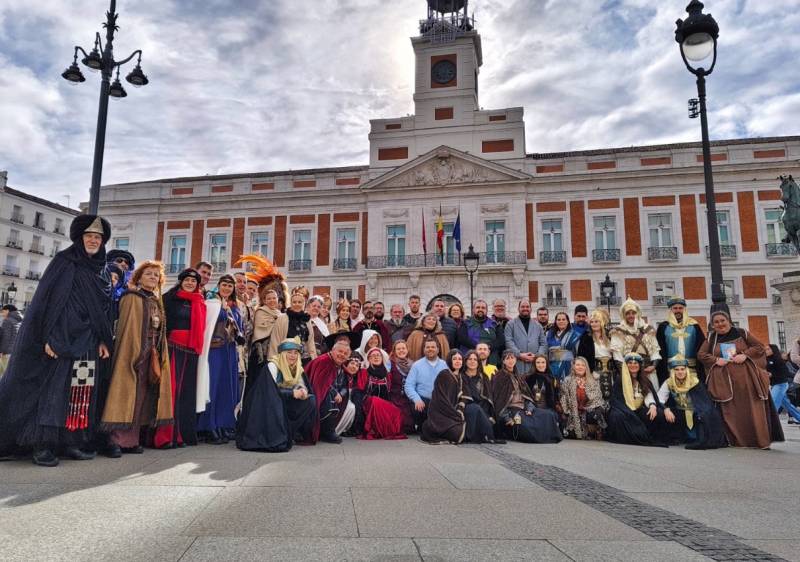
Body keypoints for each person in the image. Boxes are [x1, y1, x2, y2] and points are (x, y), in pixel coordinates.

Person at [0, 215, 113, 467]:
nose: (93, 241)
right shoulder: (64, 262)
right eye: (89, 236)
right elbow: (47, 303)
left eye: (98, 237)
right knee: (54, 392)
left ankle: (71, 442)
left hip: (88, 342)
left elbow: (103, 310)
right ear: (80, 238)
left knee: (80, 393)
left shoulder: (102, 270)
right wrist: (47, 337)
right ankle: (44, 445)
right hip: (60, 339)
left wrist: (103, 340)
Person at [101, 261, 173, 455]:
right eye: (148, 274)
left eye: (156, 275)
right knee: (126, 393)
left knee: (143, 396)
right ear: (139, 277)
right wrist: (134, 352)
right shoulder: (131, 297)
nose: (153, 277)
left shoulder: (155, 300)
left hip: (151, 351)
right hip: (132, 352)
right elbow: (126, 328)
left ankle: (132, 440)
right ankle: (116, 440)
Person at [698, 311, 784, 449]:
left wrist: (744, 355)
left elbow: (759, 347)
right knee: (731, 411)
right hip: (725, 381)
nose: (720, 324)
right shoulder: (711, 338)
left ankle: (759, 441)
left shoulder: (742, 333)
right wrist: (716, 359)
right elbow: (701, 354)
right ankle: (738, 441)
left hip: (747, 378)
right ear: (713, 325)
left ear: (729, 321)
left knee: (752, 408)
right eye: (716, 322)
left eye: (722, 320)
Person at [153, 268, 207, 449]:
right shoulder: (169, 298)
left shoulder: (199, 301)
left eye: (194, 281)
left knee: (186, 394)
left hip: (191, 351)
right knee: (171, 391)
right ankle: (165, 436)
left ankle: (181, 435)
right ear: (181, 281)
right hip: (173, 348)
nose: (190, 283)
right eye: (187, 280)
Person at [197, 275, 244, 444]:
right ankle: (208, 426)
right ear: (218, 285)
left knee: (227, 387)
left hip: (230, 350)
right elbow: (207, 325)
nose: (227, 288)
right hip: (215, 349)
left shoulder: (234, 306)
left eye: (230, 286)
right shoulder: (211, 302)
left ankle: (223, 424)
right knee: (213, 386)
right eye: (224, 285)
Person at [657, 356, 727, 449]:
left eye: (682, 369)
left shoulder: (694, 382)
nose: (680, 372)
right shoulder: (669, 382)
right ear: (673, 371)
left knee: (704, 415)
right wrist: (666, 409)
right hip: (681, 411)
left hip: (695, 412)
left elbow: (704, 403)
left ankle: (701, 441)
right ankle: (673, 438)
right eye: (677, 369)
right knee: (661, 413)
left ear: (686, 370)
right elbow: (660, 399)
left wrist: (701, 413)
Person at [492, 351, 562, 443]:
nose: (510, 360)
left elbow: (526, 396)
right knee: (528, 427)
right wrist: (507, 418)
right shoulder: (499, 376)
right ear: (503, 361)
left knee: (548, 415)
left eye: (512, 358)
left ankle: (551, 438)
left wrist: (529, 408)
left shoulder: (518, 377)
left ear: (516, 360)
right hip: (511, 410)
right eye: (507, 358)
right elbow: (499, 402)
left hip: (524, 408)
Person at [306, 332, 360, 444]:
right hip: (315, 396)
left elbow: (345, 385)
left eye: (345, 353)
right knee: (327, 397)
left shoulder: (340, 365)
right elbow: (320, 385)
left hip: (334, 396)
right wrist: (335, 393)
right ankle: (327, 432)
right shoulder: (323, 361)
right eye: (340, 351)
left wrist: (341, 394)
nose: (342, 355)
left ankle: (329, 430)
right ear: (332, 350)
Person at [606, 353, 668, 447]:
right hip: (623, 410)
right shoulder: (620, 379)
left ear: (639, 365)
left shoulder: (644, 380)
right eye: (630, 363)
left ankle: (650, 436)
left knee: (658, 413)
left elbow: (649, 395)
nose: (633, 365)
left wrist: (652, 405)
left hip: (638, 409)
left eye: (635, 363)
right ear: (626, 365)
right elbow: (616, 400)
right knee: (616, 416)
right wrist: (629, 412)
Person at [267, 337, 317, 445]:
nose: (293, 356)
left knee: (310, 400)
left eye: (295, 353)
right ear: (282, 353)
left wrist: (302, 390)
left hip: (288, 400)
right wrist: (291, 393)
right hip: (272, 404)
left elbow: (300, 384)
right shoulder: (273, 365)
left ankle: (292, 432)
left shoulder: (298, 367)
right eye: (289, 352)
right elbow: (269, 391)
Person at [610, 298, 661, 391]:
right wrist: (626, 372)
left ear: (638, 314)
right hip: (630, 370)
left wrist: (653, 366)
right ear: (624, 315)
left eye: (633, 313)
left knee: (651, 394)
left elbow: (655, 350)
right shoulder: (618, 331)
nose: (631, 316)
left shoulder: (648, 329)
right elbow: (617, 356)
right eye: (628, 313)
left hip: (648, 370)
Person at [356, 347, 407, 440]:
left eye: (378, 355)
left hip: (383, 403)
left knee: (397, 411)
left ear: (382, 358)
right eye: (373, 356)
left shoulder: (387, 375)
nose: (376, 357)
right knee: (375, 401)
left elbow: (389, 391)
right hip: (368, 402)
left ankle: (384, 430)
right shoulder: (364, 372)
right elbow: (360, 389)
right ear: (369, 359)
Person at [656, 297, 706, 386]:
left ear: (684, 309)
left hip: (692, 369)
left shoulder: (694, 326)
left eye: (680, 308)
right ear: (671, 310)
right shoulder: (663, 327)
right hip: (671, 369)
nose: (678, 310)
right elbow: (659, 349)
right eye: (675, 308)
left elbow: (702, 346)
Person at [420, 356, 466, 445]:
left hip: (456, 410)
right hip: (441, 412)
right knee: (456, 432)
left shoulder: (462, 377)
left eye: (460, 359)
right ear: (450, 361)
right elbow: (440, 399)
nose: (457, 361)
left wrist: (460, 410)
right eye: (454, 359)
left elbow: (465, 396)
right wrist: (454, 413)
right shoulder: (444, 374)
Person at [559, 357, 607, 440]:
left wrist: (587, 407)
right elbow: (563, 398)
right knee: (571, 432)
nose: (580, 367)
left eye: (583, 365)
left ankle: (593, 431)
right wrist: (570, 410)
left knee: (597, 413)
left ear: (586, 367)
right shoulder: (567, 380)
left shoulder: (593, 381)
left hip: (589, 410)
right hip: (572, 412)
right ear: (573, 366)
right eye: (578, 365)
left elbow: (597, 398)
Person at [405, 339, 448, 429]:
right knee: (417, 409)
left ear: (438, 349)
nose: (430, 349)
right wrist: (416, 399)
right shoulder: (417, 365)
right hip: (422, 401)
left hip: (439, 401)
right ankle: (422, 426)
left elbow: (449, 386)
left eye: (433, 347)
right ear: (424, 349)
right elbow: (409, 385)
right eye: (427, 347)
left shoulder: (445, 365)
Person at [460, 350, 501, 443]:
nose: (472, 361)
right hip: (467, 407)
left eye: (475, 359)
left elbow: (488, 398)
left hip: (483, 408)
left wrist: (487, 414)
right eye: (470, 359)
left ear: (478, 362)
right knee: (475, 409)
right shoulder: (461, 377)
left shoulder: (484, 377)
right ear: (465, 361)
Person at [269, 288, 316, 365]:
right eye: (294, 302)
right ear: (290, 303)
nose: (297, 304)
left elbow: (310, 342)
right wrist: (274, 361)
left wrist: (314, 360)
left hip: (303, 360)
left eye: (300, 302)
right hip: (285, 359)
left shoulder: (307, 319)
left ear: (304, 304)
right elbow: (275, 341)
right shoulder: (282, 318)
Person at [577, 309, 615, 400]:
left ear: (602, 322)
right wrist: (586, 374)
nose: (593, 324)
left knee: (611, 397)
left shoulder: (610, 335)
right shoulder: (586, 337)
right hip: (594, 372)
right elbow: (581, 357)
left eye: (596, 321)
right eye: (592, 322)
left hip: (611, 372)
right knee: (596, 398)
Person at [504, 299, 548, 376]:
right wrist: (519, 354)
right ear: (518, 309)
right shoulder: (510, 324)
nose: (525, 308)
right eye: (522, 307)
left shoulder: (538, 325)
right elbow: (508, 341)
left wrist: (537, 356)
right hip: (517, 364)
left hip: (534, 364)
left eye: (527, 307)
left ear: (531, 309)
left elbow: (543, 344)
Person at [461, 300, 504, 365]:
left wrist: (487, 347)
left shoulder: (495, 324)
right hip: (470, 360)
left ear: (486, 310)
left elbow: (500, 340)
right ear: (473, 309)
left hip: (491, 361)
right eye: (478, 307)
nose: (480, 309)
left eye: (483, 308)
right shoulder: (465, 323)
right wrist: (478, 347)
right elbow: (462, 339)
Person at [766, 343, 800, 423]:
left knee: (773, 404)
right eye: (765, 349)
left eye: (768, 349)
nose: (766, 351)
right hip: (774, 385)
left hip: (781, 384)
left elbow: (785, 373)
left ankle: (770, 423)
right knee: (788, 406)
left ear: (773, 350)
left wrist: (772, 374)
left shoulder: (778, 360)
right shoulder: (766, 360)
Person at [387, 340, 415, 433]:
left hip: (409, 398)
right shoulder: (390, 363)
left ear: (407, 350)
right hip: (395, 397)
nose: (401, 350)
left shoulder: (413, 364)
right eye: (398, 349)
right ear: (394, 351)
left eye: (403, 348)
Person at [547, 312, 581, 382]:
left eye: (563, 319)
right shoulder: (549, 334)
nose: (561, 321)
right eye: (559, 320)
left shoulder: (574, 335)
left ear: (568, 321)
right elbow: (546, 350)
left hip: (568, 366)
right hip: (552, 366)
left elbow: (578, 352)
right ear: (556, 321)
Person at [0, 304, 22, 376]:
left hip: (6, 352)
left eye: (3, 312)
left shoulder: (7, 321)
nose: (2, 314)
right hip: (14, 351)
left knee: (5, 374)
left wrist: (1, 351)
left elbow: (6, 337)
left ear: (7, 311)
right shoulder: (19, 320)